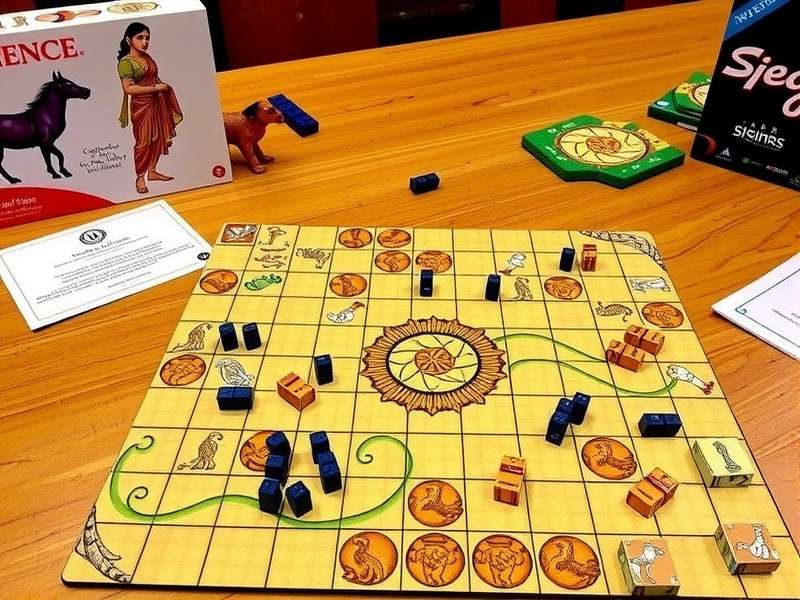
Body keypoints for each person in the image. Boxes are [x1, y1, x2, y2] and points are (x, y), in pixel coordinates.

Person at [117, 22, 183, 194]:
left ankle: (152, 171)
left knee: (158, 137)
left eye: (147, 38)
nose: (145, 42)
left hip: (157, 103)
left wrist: (161, 85)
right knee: (143, 142)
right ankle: (140, 177)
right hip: (142, 106)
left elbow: (154, 78)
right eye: (140, 37)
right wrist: (156, 88)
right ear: (128, 40)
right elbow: (128, 88)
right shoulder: (126, 62)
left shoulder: (147, 58)